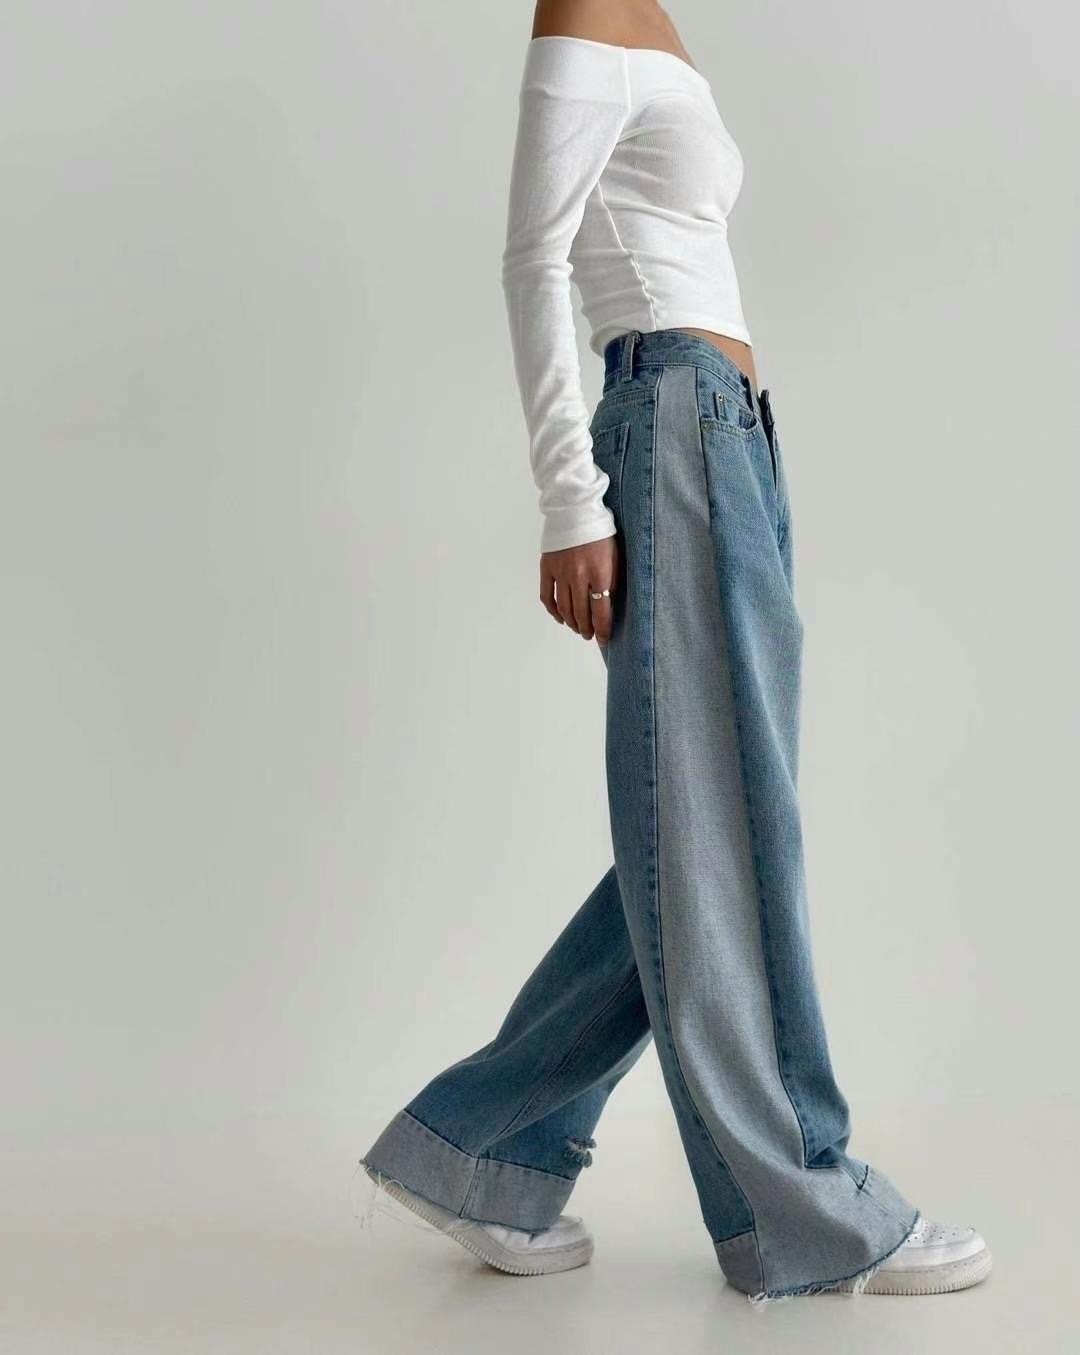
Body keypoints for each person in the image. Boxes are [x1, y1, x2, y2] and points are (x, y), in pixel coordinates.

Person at [360, 0, 991, 1301]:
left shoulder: (647, 18)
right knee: (718, 825)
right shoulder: (583, 13)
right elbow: (533, 258)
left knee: (706, 826)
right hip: (673, 426)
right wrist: (568, 503)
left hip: (731, 431)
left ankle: (480, 1147)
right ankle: (804, 1208)